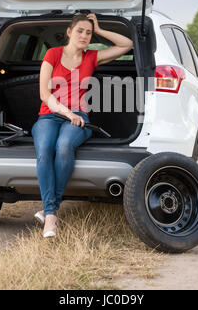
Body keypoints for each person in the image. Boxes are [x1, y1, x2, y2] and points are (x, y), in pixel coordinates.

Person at [31, 14, 133, 238]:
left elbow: (127, 44)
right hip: (49, 115)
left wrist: (100, 29)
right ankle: (52, 212)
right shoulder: (53, 54)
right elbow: (44, 93)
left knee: (65, 145)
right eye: (80, 31)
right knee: (45, 150)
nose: (85, 36)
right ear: (69, 32)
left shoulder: (92, 57)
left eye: (88, 33)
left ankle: (50, 214)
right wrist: (66, 112)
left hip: (79, 116)